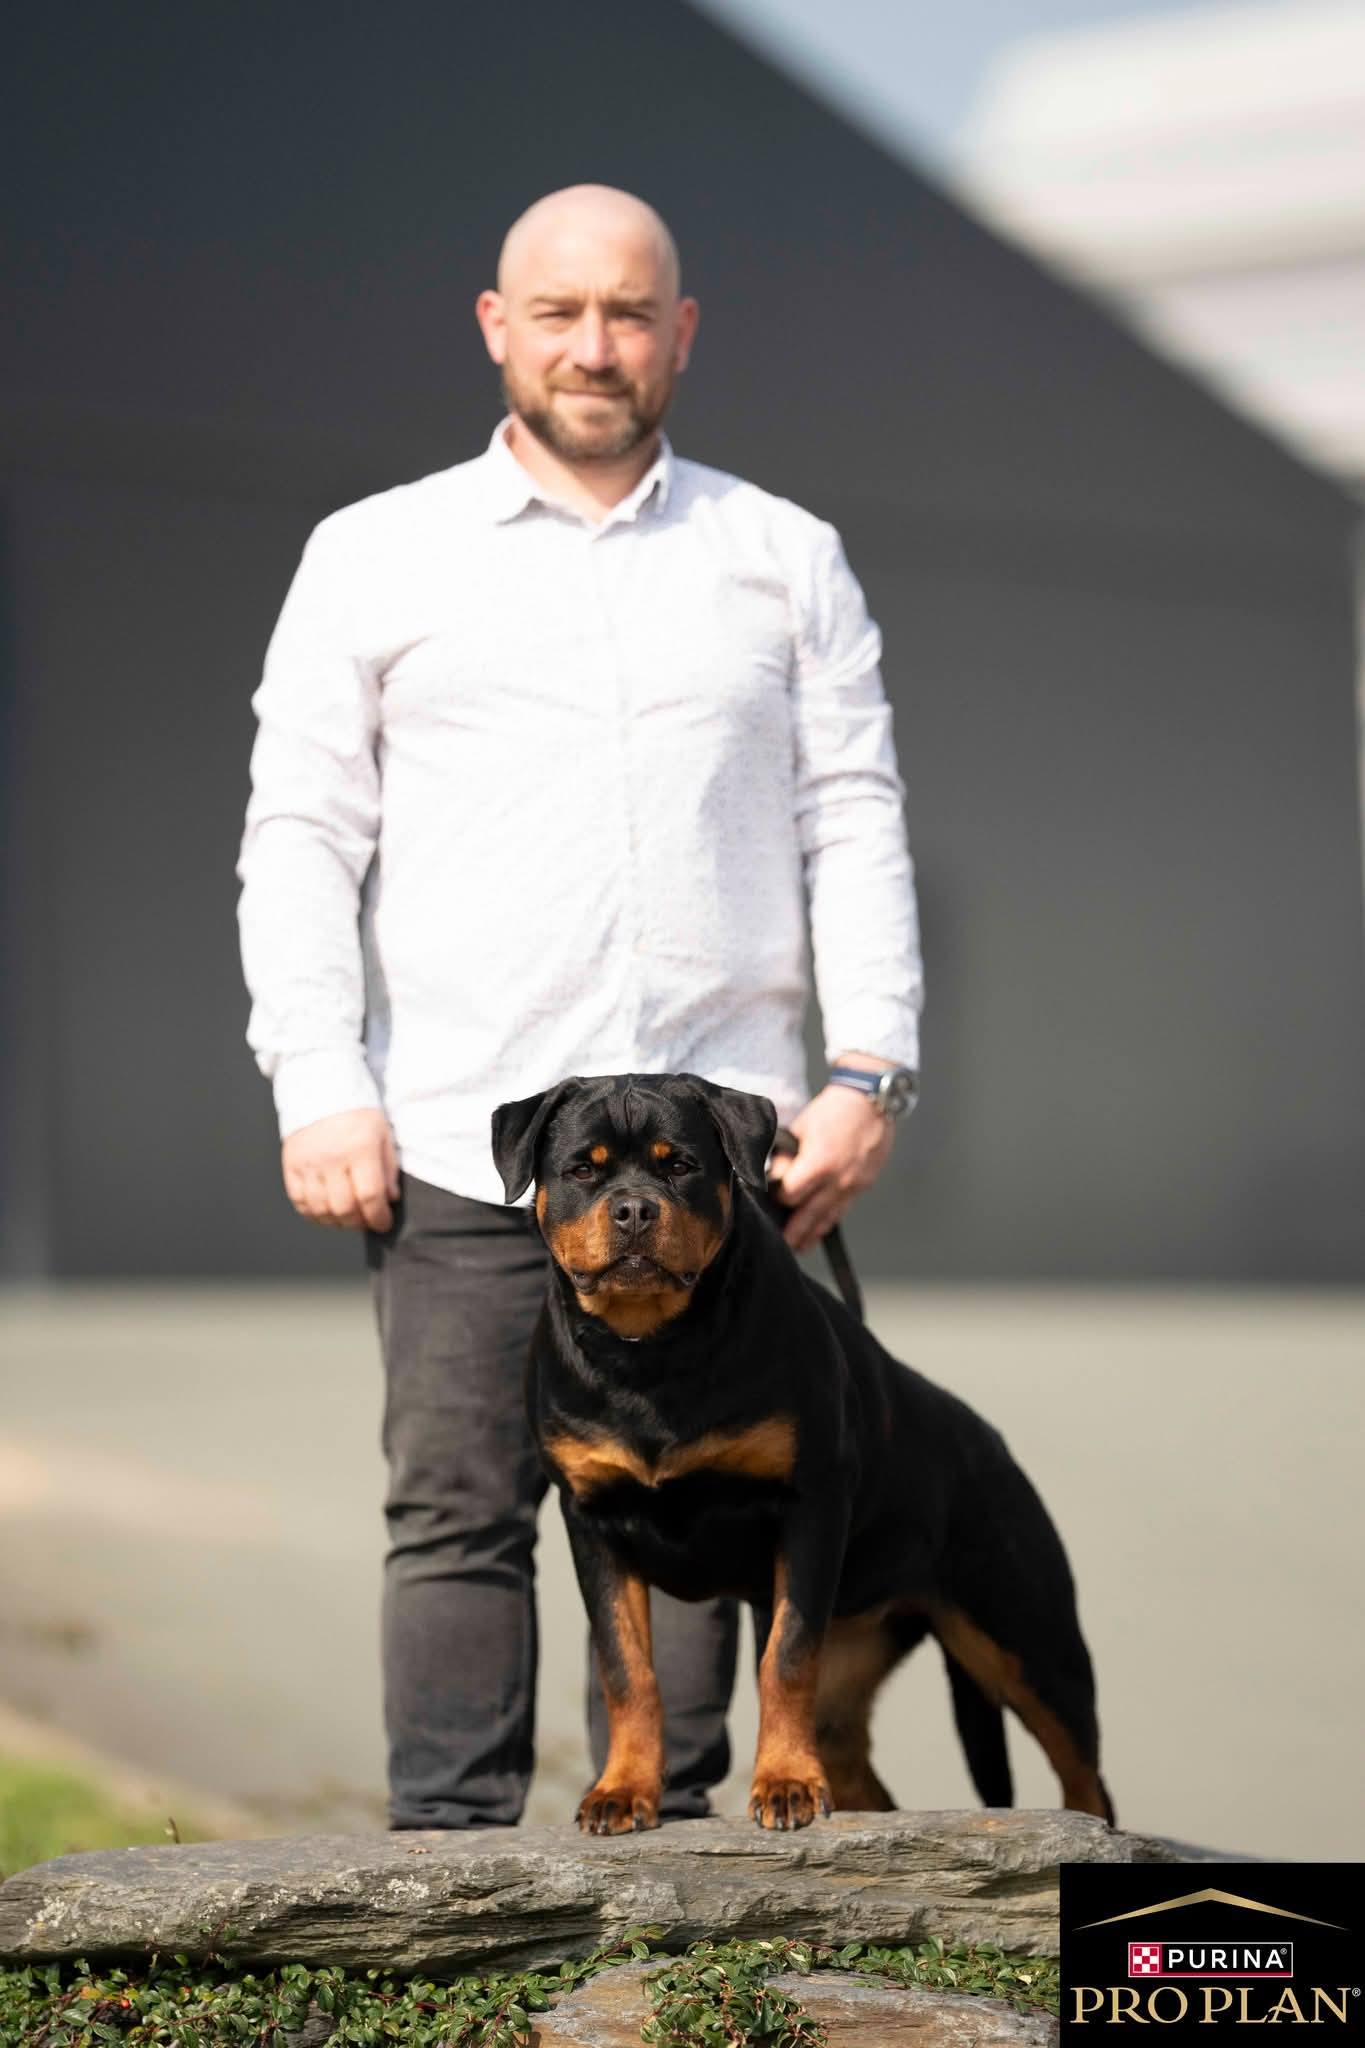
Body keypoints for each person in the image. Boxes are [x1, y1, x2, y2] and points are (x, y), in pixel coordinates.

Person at [236, 184, 924, 1831]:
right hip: (459, 1134)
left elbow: (853, 816)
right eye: (557, 312)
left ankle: (673, 1887)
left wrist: (868, 1070)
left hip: (721, 1152)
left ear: (679, 332)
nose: (593, 347)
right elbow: (300, 832)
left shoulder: (780, 555)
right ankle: (448, 1883)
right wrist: (317, 1078)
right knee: (458, 1516)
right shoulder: (372, 553)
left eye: (627, 313)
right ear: (498, 325)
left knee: (713, 1519)